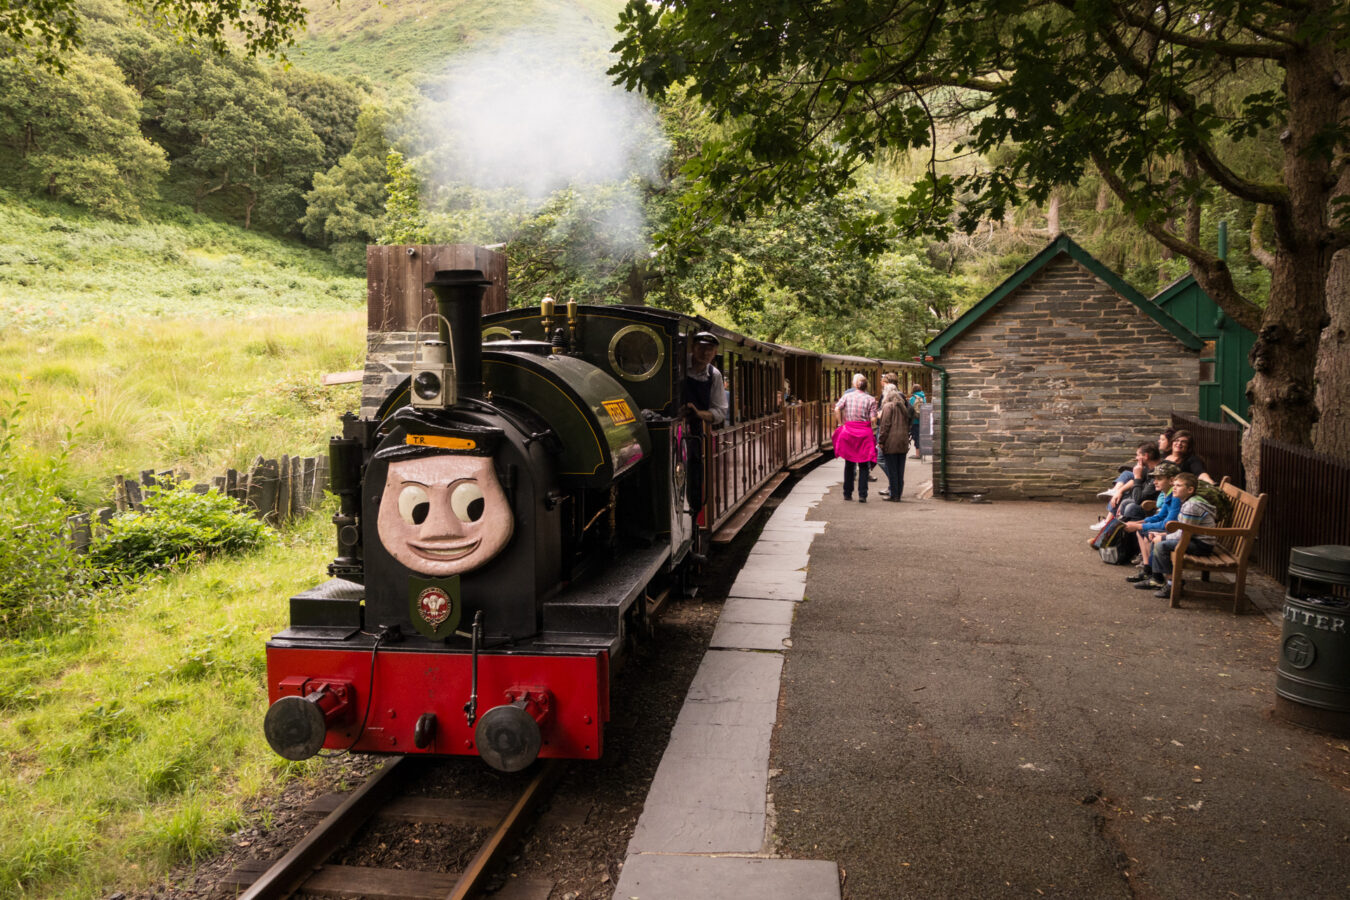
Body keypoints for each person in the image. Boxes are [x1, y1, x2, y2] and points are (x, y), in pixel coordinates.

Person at [1131, 472, 1217, 597]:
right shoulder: (1186, 501)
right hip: (1193, 539)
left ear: (1190, 489)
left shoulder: (1191, 506)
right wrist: (1160, 534)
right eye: (1174, 484)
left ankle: (1173, 584)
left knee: (1161, 545)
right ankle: (1158, 579)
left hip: (1202, 544)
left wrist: (1163, 537)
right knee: (1157, 539)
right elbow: (1183, 530)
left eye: (1179, 485)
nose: (1174, 487)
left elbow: (1184, 534)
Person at [681, 332, 727, 522]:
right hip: (675, 430)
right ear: (693, 348)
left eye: (709, 350)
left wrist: (699, 414)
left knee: (694, 480)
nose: (705, 352)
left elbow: (719, 412)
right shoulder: (679, 366)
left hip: (694, 434)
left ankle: (692, 532)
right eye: (701, 348)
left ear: (714, 353)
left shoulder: (713, 375)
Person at [1122, 461, 1181, 586]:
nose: (1155, 482)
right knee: (1141, 530)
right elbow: (1160, 516)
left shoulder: (1176, 496)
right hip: (1173, 529)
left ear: (1171, 480)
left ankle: (1156, 577)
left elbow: (1168, 524)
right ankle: (1148, 570)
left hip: (1178, 532)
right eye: (1154, 479)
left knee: (1148, 533)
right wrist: (1140, 522)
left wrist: (1139, 526)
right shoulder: (1168, 493)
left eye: (1159, 479)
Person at [833, 373, 879, 502]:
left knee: (849, 463)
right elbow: (873, 418)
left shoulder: (847, 396)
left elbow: (837, 409)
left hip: (849, 432)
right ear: (866, 386)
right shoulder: (871, 399)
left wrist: (840, 423)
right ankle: (862, 495)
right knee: (864, 465)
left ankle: (847, 493)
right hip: (864, 433)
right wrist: (872, 422)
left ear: (855, 385)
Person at [876, 383, 911, 502]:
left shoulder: (887, 407)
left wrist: (881, 441)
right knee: (900, 470)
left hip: (891, 443)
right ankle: (898, 495)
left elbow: (884, 426)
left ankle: (894, 495)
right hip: (902, 442)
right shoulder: (903, 407)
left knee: (892, 470)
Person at [908, 386, 926, 460]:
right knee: (921, 436)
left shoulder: (913, 398)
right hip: (923, 420)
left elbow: (910, 410)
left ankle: (917, 454)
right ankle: (921, 453)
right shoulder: (924, 397)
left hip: (915, 421)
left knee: (916, 437)